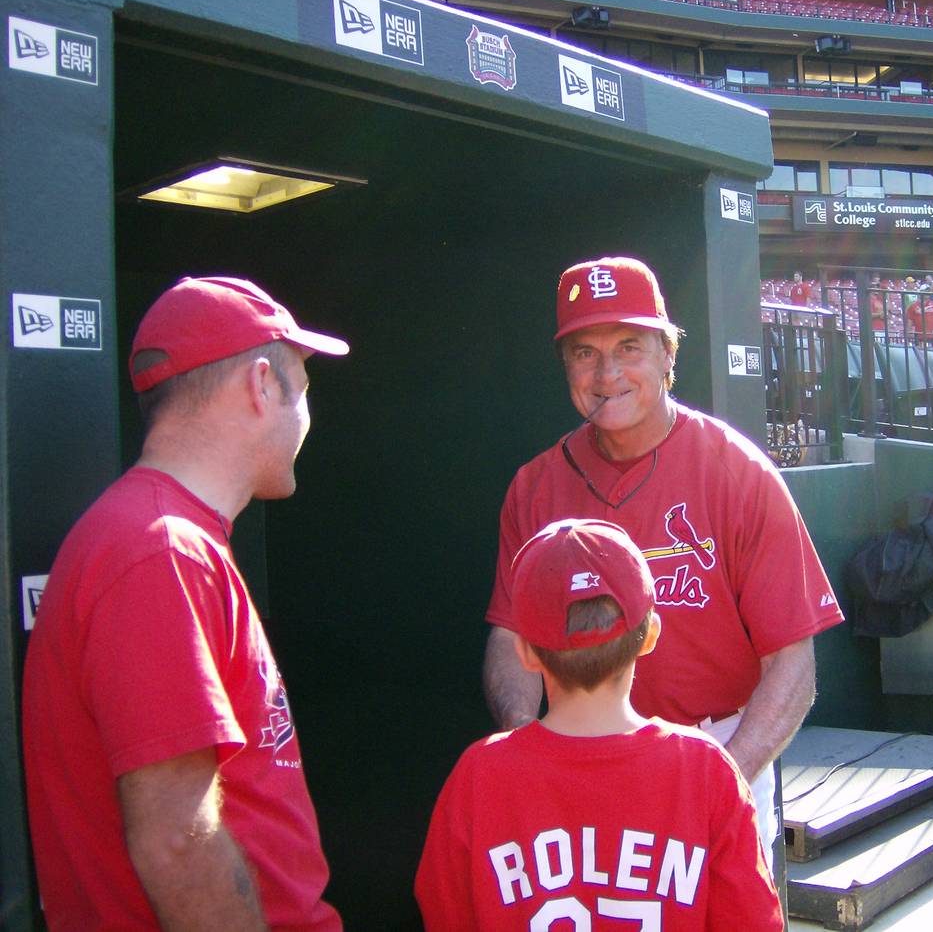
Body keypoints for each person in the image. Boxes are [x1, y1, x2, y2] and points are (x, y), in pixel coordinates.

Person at [482, 256, 843, 857]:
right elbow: (510, 636)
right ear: (565, 364)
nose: (606, 374)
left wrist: (721, 780)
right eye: (584, 352)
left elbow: (792, 664)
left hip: (720, 742)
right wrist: (527, 745)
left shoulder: (739, 473)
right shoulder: (535, 487)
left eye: (629, 347)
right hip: (580, 753)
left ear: (668, 354)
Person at [22, 276, 348, 931]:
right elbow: (178, 840)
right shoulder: (159, 550)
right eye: (304, 391)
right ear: (261, 385)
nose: (308, 415)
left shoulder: (162, 538)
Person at [418, 519, 783, 931]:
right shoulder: (706, 769)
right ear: (650, 637)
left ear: (525, 652)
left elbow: (444, 914)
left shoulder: (478, 776)